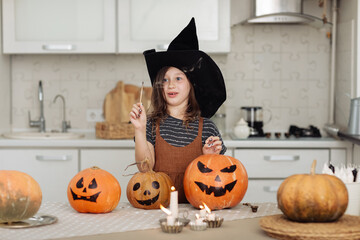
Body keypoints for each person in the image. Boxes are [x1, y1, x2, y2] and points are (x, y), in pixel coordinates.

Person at [129, 18, 227, 203]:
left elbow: (217, 176)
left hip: (197, 207)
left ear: (192, 85)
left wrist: (209, 158)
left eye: (178, 78)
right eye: (164, 79)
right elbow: (144, 169)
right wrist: (139, 130)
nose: (170, 85)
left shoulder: (207, 127)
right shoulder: (150, 124)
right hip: (159, 206)